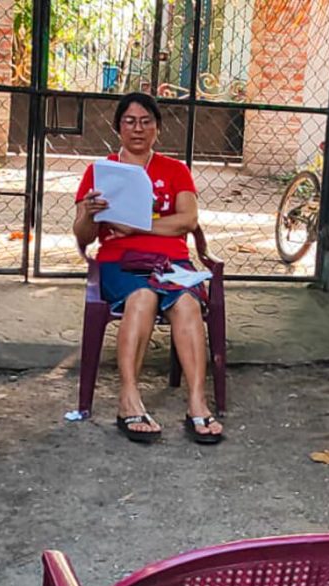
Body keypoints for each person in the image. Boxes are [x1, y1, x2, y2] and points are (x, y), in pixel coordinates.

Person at [72, 92, 223, 444]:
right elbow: (83, 235)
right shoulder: (101, 171)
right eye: (129, 121)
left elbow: (187, 220)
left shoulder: (175, 170)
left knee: (186, 303)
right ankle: (128, 400)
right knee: (141, 298)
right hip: (119, 262)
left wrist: (137, 226)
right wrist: (90, 215)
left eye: (146, 121)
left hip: (172, 263)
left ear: (157, 128)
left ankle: (197, 403)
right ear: (118, 128)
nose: (138, 129)